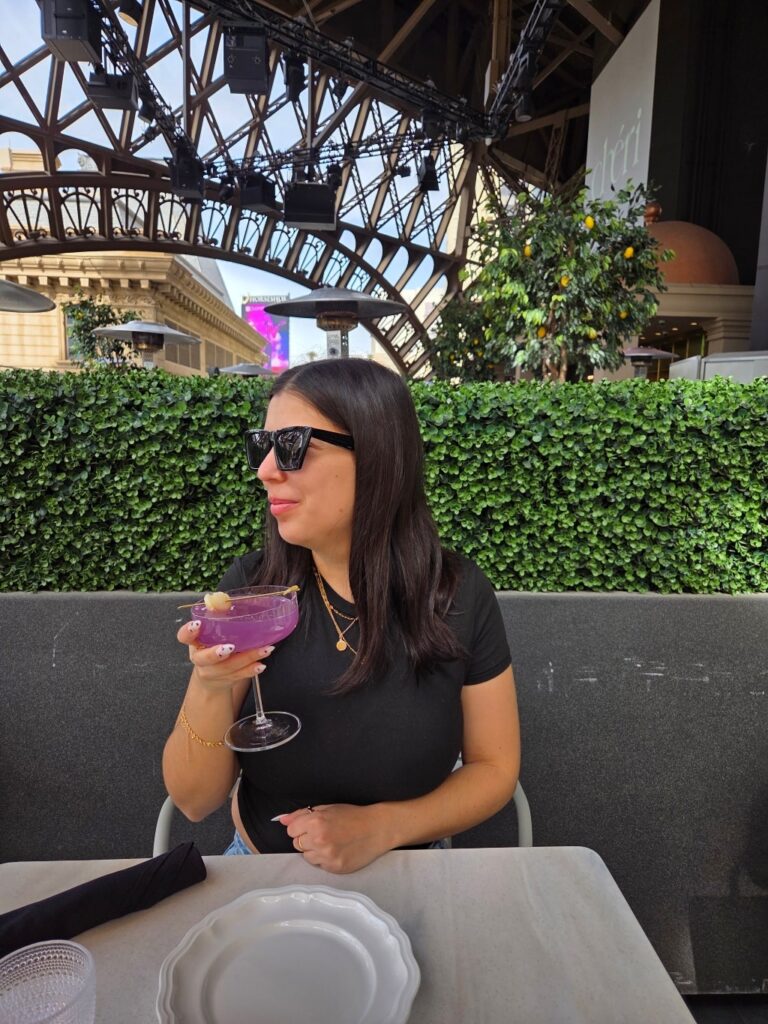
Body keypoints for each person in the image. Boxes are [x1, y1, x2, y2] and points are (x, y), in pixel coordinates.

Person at [163, 358, 520, 874]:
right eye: (262, 446)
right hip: (261, 870)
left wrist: (384, 827)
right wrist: (210, 684)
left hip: (413, 869)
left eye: (292, 446)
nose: (265, 470)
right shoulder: (254, 592)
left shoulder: (457, 595)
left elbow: (495, 768)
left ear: (377, 455)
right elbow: (195, 800)